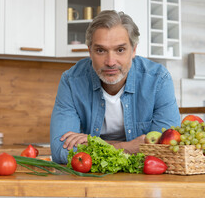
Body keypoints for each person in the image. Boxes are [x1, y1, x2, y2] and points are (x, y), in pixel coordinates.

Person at [50, 10, 180, 164]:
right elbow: (61, 151)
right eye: (100, 50)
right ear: (89, 51)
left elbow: (166, 150)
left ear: (134, 50)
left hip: (144, 179)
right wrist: (127, 148)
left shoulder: (158, 80)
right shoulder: (71, 81)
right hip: (91, 180)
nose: (110, 61)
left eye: (120, 50)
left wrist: (95, 144)